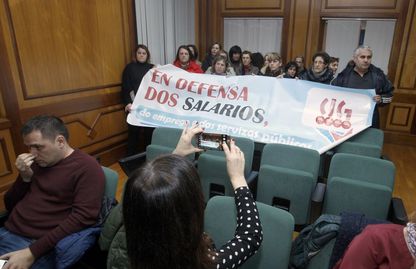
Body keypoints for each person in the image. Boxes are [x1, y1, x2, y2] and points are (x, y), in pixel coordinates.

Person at [123, 123, 263, 269]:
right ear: (190, 213)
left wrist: (175, 157)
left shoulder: (132, 250)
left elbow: (153, 198)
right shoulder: (207, 264)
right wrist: (238, 178)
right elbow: (250, 237)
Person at [0, 115, 105, 268]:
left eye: (38, 147)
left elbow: (84, 217)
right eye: (29, 147)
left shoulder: (87, 168)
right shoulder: (37, 163)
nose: (32, 153)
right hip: (7, 231)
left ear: (60, 141)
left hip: (35, 245)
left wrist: (31, 252)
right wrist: (24, 178)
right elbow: (10, 204)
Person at [332, 45, 393, 129]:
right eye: (362, 57)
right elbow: (333, 94)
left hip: (370, 121)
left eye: (369, 57)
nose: (366, 60)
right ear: (355, 58)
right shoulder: (344, 76)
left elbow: (390, 94)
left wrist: (381, 99)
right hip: (348, 119)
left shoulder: (378, 75)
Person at [122, 44, 155, 156]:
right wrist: (128, 103)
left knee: (149, 134)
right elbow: (126, 87)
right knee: (133, 134)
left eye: (144, 53)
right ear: (135, 55)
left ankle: (148, 158)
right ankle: (130, 160)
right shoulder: (129, 68)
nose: (141, 55)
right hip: (135, 106)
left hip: (150, 107)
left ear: (147, 55)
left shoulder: (152, 68)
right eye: (139, 53)